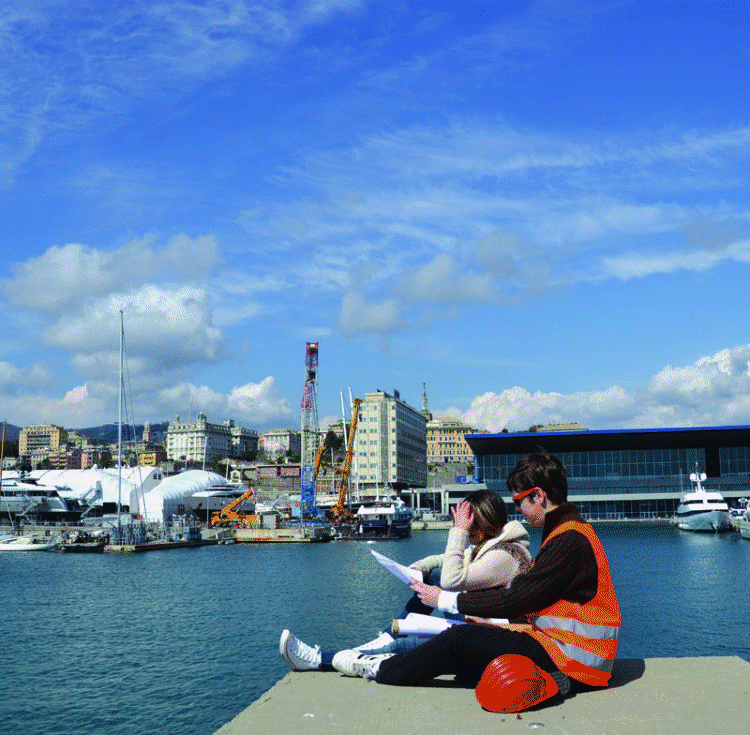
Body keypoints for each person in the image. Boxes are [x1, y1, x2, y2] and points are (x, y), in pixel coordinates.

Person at [330, 453, 621, 715]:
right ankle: (557, 682)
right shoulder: (568, 533)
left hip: (575, 660)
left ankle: (377, 667)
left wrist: (443, 600)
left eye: (519, 499)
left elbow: (517, 598)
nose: (518, 508)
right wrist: (500, 627)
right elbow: (539, 606)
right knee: (471, 661)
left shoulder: (568, 539)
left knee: (459, 640)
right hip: (570, 653)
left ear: (540, 495)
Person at [279, 489, 532, 672]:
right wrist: (417, 568)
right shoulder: (490, 545)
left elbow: (453, 580)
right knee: (431, 577)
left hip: (492, 634)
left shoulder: (504, 555)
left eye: (469, 522)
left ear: (481, 522)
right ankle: (384, 639)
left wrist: (458, 532)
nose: (464, 526)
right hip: (480, 623)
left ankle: (319, 659)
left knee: (405, 645)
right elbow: (447, 560)